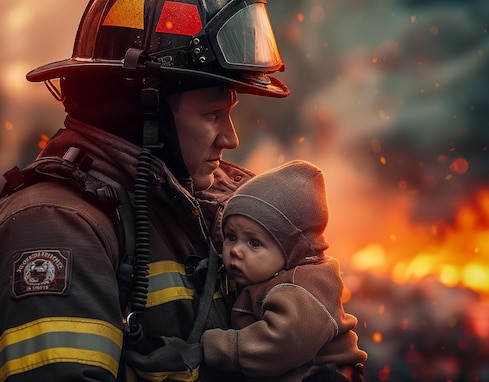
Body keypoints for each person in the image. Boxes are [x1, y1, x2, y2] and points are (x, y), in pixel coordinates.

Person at [0, 1, 290, 381]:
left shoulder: (208, 202)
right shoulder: (57, 226)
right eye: (212, 114)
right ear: (146, 113)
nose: (231, 139)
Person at [201, 160, 367, 381]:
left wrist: (209, 346)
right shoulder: (266, 276)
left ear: (291, 250)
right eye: (231, 237)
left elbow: (278, 346)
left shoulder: (304, 286)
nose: (236, 251)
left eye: (254, 243)